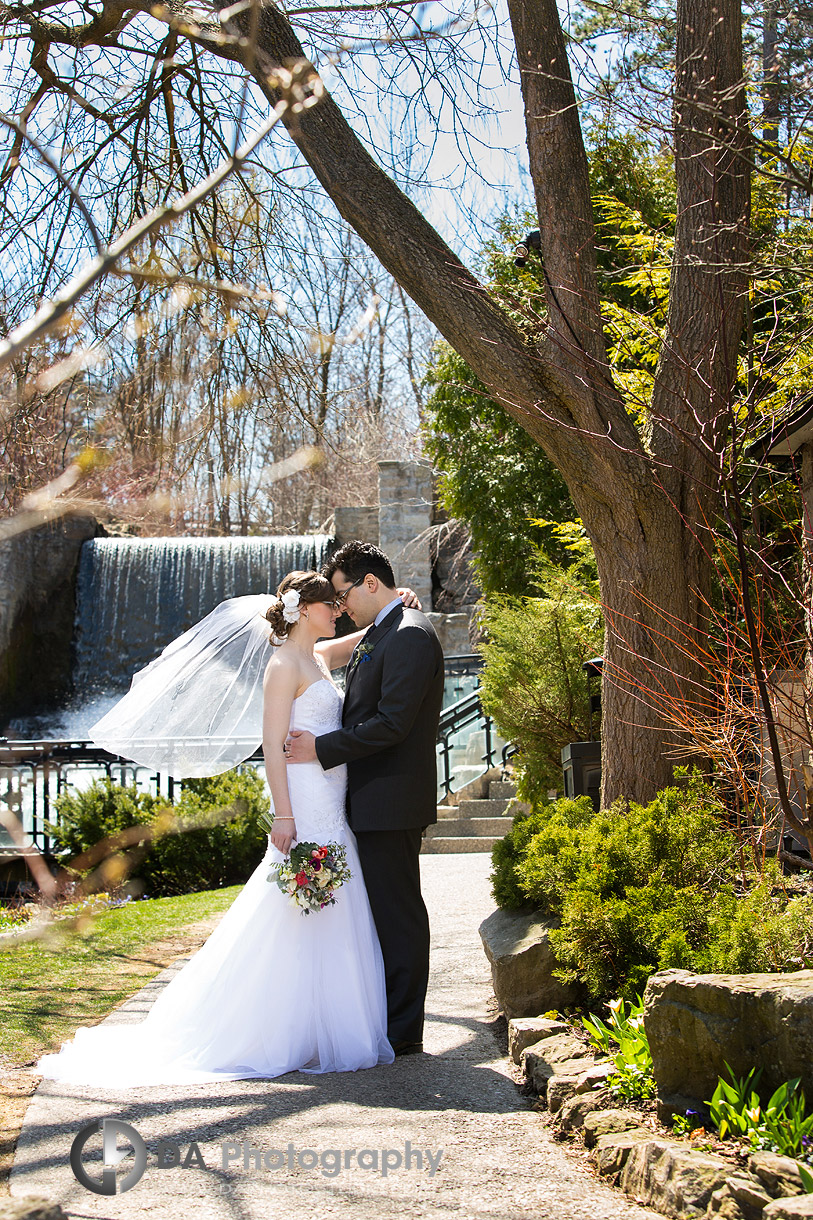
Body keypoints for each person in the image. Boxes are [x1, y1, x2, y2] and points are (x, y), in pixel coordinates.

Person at [37, 570, 399, 1086]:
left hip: (331, 799)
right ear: (305, 609)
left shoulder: (315, 656)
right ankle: (273, 1027)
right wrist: (284, 814)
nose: (338, 610)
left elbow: (352, 643)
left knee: (329, 903)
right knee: (293, 905)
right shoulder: (282, 665)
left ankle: (321, 1026)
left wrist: (391, 605)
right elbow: (271, 744)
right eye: (330, 605)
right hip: (304, 801)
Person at [285, 542, 444, 1057]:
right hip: (369, 799)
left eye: (344, 593)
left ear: (370, 584)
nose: (341, 605)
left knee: (398, 916)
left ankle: (404, 1031)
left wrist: (320, 748)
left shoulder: (411, 636)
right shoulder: (383, 631)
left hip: (391, 800)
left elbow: (393, 723)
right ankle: (388, 1022)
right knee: (381, 914)